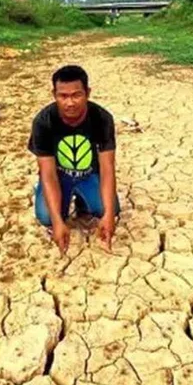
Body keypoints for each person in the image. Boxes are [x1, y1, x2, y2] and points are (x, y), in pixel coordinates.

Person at [28, 65, 121, 254]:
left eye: (76, 95)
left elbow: (107, 168)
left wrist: (109, 215)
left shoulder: (102, 118)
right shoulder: (43, 122)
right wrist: (57, 222)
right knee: (46, 216)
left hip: (89, 175)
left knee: (109, 209)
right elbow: (48, 174)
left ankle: (82, 201)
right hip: (58, 177)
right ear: (54, 95)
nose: (70, 103)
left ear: (88, 93)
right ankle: (43, 193)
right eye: (63, 96)